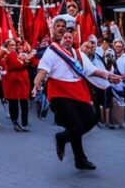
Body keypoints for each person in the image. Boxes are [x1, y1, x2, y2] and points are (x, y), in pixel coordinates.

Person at [32, 15, 119, 170]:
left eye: (64, 27)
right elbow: (43, 70)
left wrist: (108, 75)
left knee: (91, 118)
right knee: (76, 125)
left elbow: (90, 69)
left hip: (78, 92)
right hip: (60, 94)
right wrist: (36, 84)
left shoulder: (77, 53)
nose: (61, 28)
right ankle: (66, 144)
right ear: (54, 30)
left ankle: (75, 154)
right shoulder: (52, 51)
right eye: (58, 26)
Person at [0, 38, 34, 132]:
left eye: (14, 45)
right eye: (11, 45)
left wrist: (25, 60)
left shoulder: (16, 54)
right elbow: (18, 65)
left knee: (22, 102)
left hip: (20, 82)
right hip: (15, 82)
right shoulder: (9, 55)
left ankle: (21, 123)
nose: (13, 47)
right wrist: (27, 60)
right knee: (15, 103)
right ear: (7, 46)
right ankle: (17, 123)